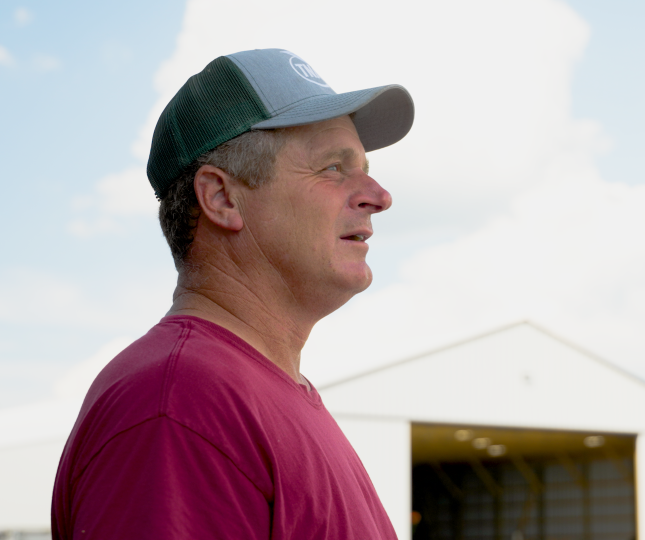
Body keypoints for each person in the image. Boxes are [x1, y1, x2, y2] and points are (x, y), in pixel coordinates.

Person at [51, 48, 414, 539]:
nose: (379, 195)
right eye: (332, 167)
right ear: (222, 197)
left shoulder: (246, 395)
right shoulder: (179, 404)